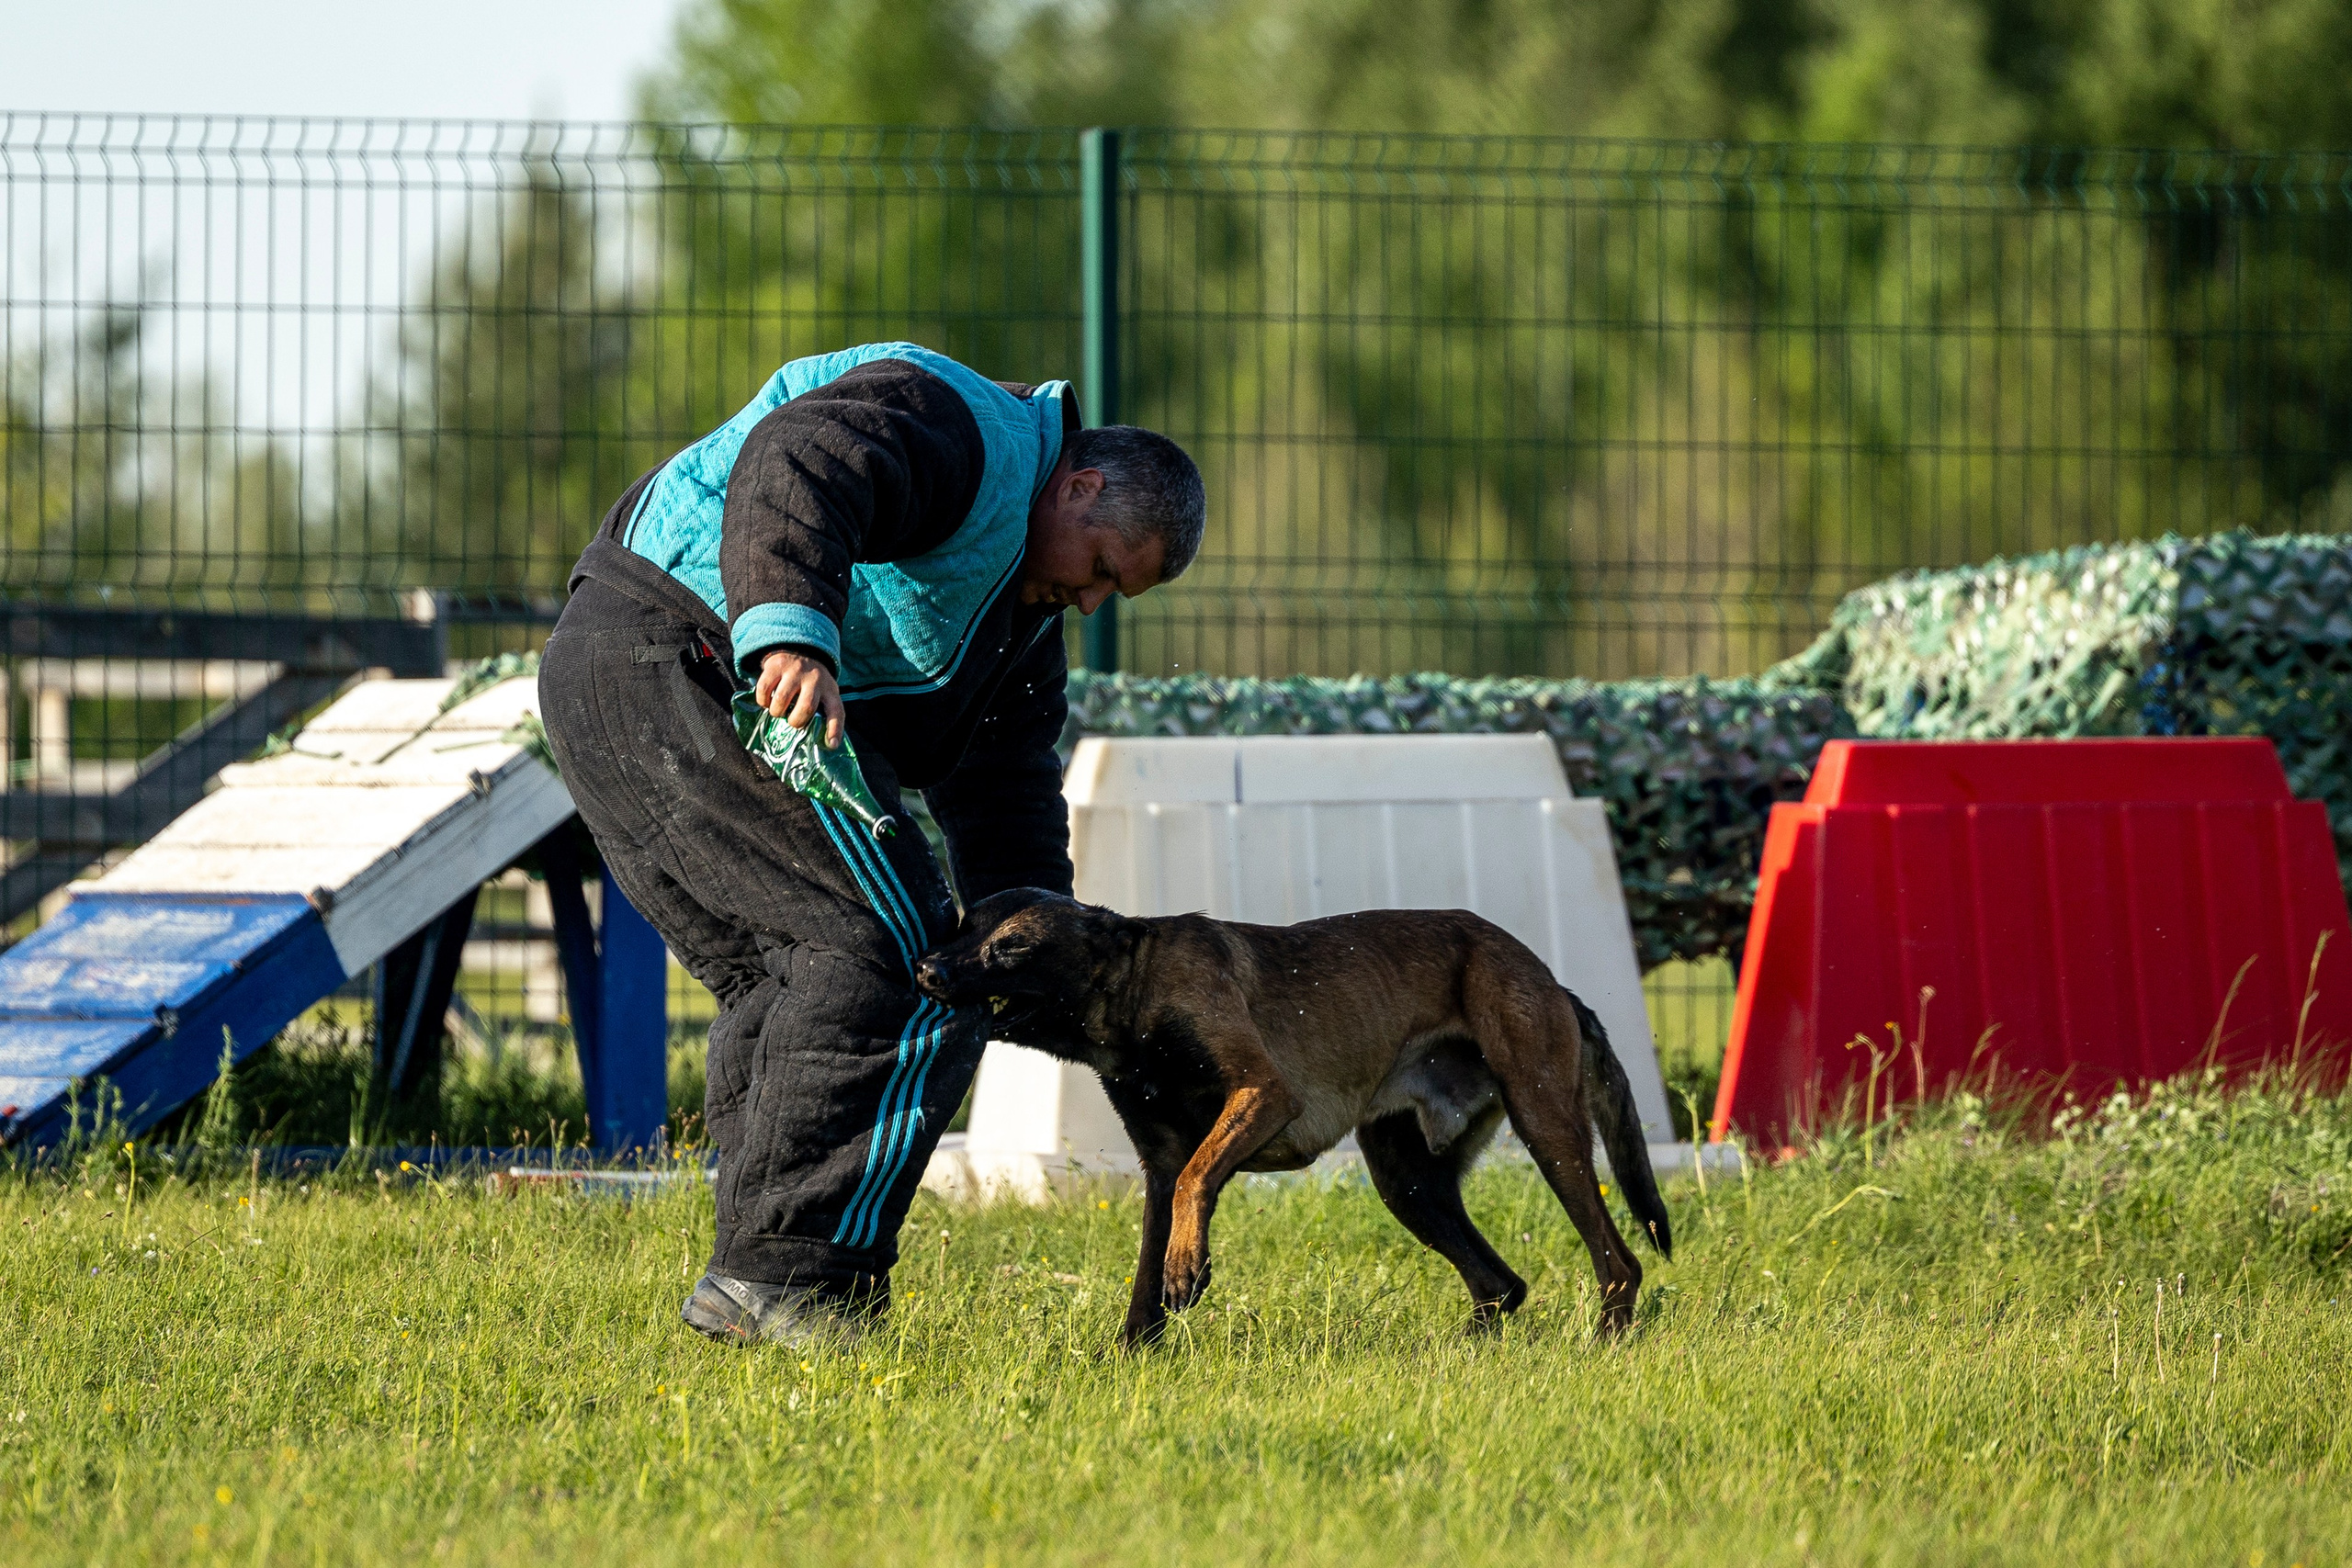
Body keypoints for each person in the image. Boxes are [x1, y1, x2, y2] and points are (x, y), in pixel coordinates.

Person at [537, 342, 1204, 1345]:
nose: (1091, 602)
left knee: (798, 982)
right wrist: (792, 631)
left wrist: (1049, 956)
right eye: (1103, 570)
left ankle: (757, 1285)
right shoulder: (960, 426)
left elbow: (1007, 784)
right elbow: (798, 458)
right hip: (689, 654)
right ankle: (798, 1288)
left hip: (620, 670)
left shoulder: (1015, 625)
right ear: (1080, 483)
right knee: (904, 960)